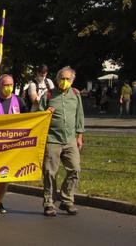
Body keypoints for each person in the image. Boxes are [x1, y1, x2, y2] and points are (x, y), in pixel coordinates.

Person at [37, 66, 84, 217]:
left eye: (67, 79)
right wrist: (45, 113)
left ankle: (67, 199)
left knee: (75, 169)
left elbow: (79, 116)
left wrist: (79, 136)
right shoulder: (48, 95)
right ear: (57, 79)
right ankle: (49, 203)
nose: (64, 81)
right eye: (62, 79)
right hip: (52, 139)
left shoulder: (76, 94)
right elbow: (38, 116)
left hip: (70, 139)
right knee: (50, 172)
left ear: (73, 80)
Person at [0, 74, 29, 217]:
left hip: (12, 146)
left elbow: (29, 119)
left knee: (6, 176)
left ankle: (0, 201)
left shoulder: (19, 101)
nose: (8, 88)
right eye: (5, 85)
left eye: (10, 85)